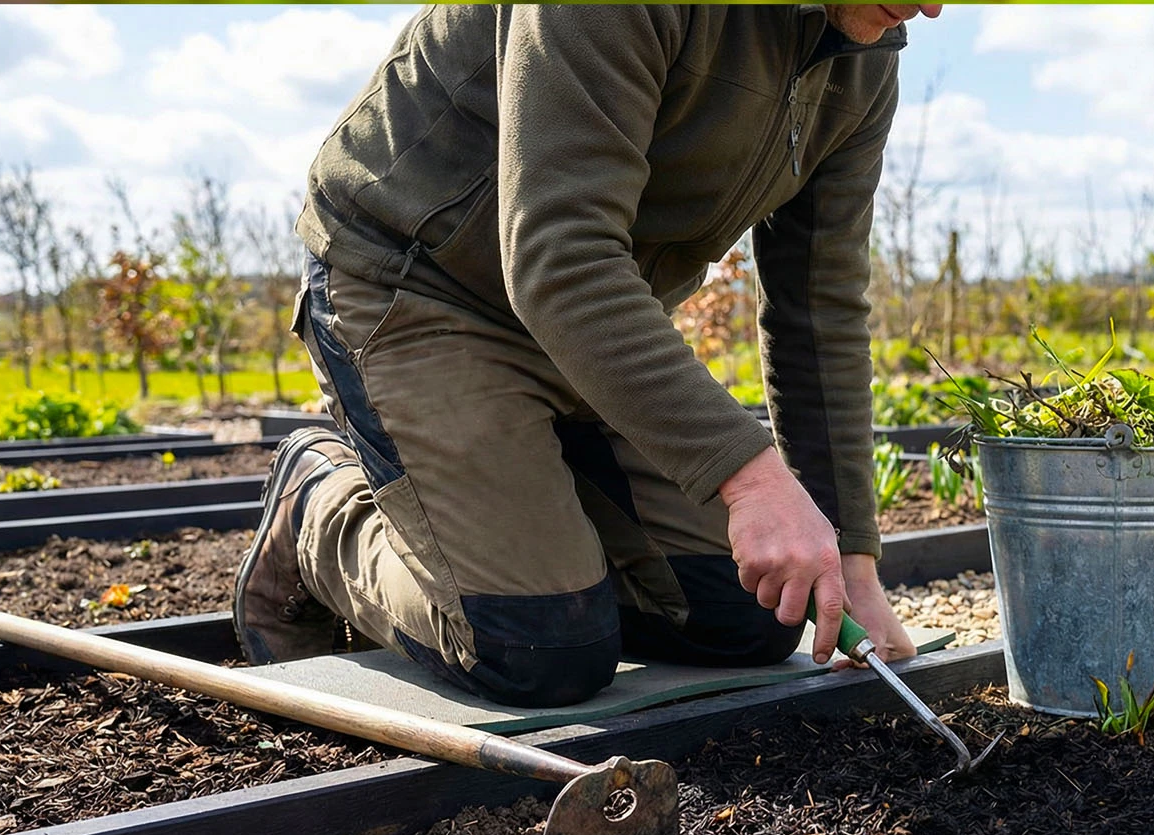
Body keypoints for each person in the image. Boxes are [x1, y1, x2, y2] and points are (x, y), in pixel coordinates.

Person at [234, 3, 943, 707]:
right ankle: (317, 508)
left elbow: (817, 308)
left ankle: (526, 516)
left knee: (760, 610)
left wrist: (852, 559)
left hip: (592, 327)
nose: (934, 8)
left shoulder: (862, 56)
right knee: (536, 646)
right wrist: (753, 482)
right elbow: (562, 255)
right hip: (419, 283)